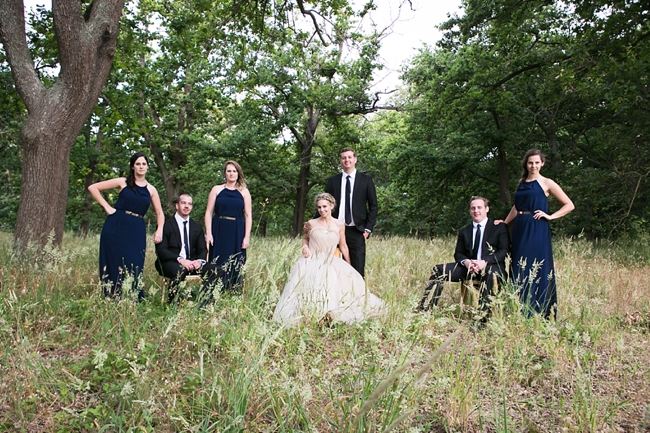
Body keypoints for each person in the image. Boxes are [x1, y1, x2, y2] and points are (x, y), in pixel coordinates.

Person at [273, 193, 385, 328]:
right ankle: (310, 315)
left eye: (325, 206)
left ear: (331, 206)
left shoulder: (339, 225)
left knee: (337, 285)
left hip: (330, 260)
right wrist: (304, 247)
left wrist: (349, 265)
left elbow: (343, 246)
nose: (322, 210)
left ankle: (329, 314)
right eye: (319, 207)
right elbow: (305, 239)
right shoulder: (311, 223)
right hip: (312, 259)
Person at [497, 149, 574, 319]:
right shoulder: (522, 182)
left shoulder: (547, 182)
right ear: (526, 164)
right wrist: (505, 222)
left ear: (542, 164)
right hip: (520, 228)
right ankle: (519, 308)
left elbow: (569, 205)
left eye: (537, 163)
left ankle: (540, 311)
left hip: (537, 228)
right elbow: (517, 207)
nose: (533, 166)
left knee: (537, 266)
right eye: (530, 162)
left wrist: (551, 216)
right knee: (519, 265)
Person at [418, 196, 509, 322]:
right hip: (468, 268)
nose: (476, 211)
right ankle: (426, 307)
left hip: (490, 266)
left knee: (490, 273)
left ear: (486, 209)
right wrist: (466, 262)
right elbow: (458, 254)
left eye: (479, 207)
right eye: (473, 208)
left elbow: (504, 251)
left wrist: (484, 262)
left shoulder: (498, 227)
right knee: (438, 270)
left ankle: (482, 318)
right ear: (469, 211)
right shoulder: (464, 231)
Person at [88, 152, 165, 299]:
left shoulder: (151, 189)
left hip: (136, 227)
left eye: (143, 164)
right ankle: (112, 295)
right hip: (116, 225)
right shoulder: (122, 182)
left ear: (148, 167)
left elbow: (160, 213)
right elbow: (93, 188)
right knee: (113, 260)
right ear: (132, 167)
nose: (141, 166)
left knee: (135, 262)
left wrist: (159, 229)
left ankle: (132, 296)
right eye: (138, 164)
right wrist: (107, 207)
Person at [155, 193, 224, 304]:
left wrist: (199, 261)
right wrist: (181, 260)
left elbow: (202, 249)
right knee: (180, 270)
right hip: (170, 262)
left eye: (189, 204)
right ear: (177, 206)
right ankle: (172, 304)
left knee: (216, 270)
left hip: (192, 263)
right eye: (183, 203)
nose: (186, 206)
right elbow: (161, 251)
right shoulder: (166, 225)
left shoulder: (196, 226)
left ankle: (203, 304)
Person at [323, 147, 378, 278]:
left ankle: (358, 297)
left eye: (349, 157)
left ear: (355, 159)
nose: (346, 160)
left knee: (357, 269)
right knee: (334, 268)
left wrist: (368, 229)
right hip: (335, 230)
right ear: (340, 161)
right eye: (343, 158)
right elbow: (323, 204)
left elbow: (374, 206)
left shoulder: (366, 180)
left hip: (357, 230)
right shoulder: (333, 181)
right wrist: (312, 223)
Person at [204, 160, 252, 292]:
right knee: (218, 259)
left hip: (237, 229)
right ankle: (213, 290)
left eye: (234, 171)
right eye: (229, 171)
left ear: (238, 173)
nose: (231, 174)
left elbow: (248, 215)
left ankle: (233, 290)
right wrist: (208, 232)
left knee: (236, 260)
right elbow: (208, 212)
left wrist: (246, 237)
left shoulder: (244, 192)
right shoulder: (216, 189)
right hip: (219, 227)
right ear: (225, 173)